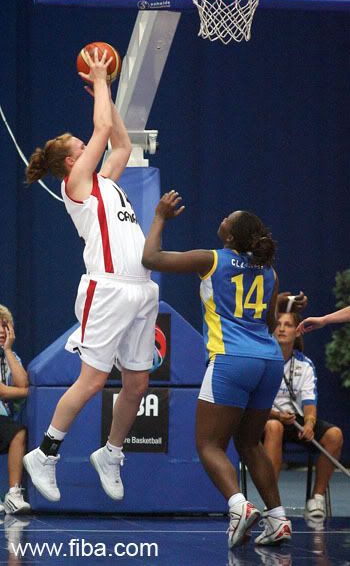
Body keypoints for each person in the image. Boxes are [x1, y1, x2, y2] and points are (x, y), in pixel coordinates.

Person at [23, 48, 159, 502]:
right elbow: (101, 130)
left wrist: (109, 95)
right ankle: (45, 454)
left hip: (140, 289)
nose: (88, 145)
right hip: (107, 289)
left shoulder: (107, 183)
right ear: (69, 162)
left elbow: (119, 142)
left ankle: (111, 453)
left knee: (138, 383)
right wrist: (101, 79)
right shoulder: (75, 186)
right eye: (80, 148)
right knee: (93, 381)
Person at [142, 191, 292, 548]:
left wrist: (160, 216)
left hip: (231, 358)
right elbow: (271, 321)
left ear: (229, 235)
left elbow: (150, 257)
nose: (222, 217)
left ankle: (239, 507)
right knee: (249, 443)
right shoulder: (269, 271)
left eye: (228, 216)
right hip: (269, 360)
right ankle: (278, 519)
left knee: (208, 444)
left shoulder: (211, 259)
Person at [263, 311, 344, 520]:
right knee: (274, 427)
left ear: (297, 332)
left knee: (334, 435)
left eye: (288, 325)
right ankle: (271, 503)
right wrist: (277, 416)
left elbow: (309, 403)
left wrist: (309, 423)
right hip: (265, 419)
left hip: (295, 420)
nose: (282, 328)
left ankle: (316, 499)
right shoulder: (262, 360)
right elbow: (254, 403)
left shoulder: (305, 365)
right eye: (278, 324)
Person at [0, 305, 31, 514]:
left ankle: (13, 494)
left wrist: (8, 351)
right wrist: (20, 391)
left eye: (4, 326)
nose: (2, 331)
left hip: (3, 420)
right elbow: (2, 391)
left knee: (18, 433)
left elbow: (24, 385)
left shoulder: (11, 358)